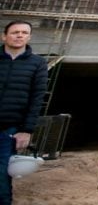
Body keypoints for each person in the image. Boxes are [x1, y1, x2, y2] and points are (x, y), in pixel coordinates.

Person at [0, 20, 47, 204]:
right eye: (15, 32)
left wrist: (26, 130)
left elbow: (37, 98)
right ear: (5, 36)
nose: (20, 35)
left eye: (24, 32)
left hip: (9, 130)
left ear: (29, 37)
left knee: (2, 177)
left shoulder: (37, 63)